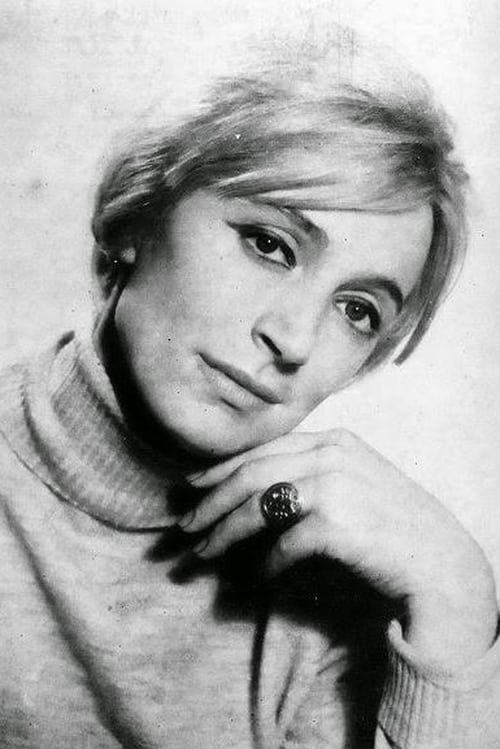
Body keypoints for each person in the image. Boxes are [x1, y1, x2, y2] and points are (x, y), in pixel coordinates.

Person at [0, 23, 498, 749]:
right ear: (139, 213)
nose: (293, 339)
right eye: (269, 244)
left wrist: (459, 601)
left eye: (357, 310)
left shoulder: (333, 597)